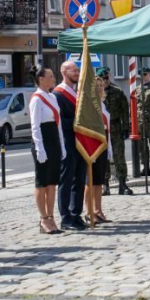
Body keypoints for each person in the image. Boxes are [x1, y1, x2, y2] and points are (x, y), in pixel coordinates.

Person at [30, 66, 66, 235]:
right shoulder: (36, 99)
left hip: (53, 141)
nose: (53, 78)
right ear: (41, 79)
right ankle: (43, 218)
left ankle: (51, 217)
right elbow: (35, 126)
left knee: (52, 182)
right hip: (42, 142)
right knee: (42, 182)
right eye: (50, 76)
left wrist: (62, 145)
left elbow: (58, 124)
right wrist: (39, 148)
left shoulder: (52, 97)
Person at [54, 60, 87, 231]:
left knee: (79, 179)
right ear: (64, 72)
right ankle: (65, 217)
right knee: (66, 181)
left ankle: (76, 214)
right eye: (73, 70)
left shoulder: (76, 93)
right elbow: (58, 121)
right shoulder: (58, 94)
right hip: (67, 143)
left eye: (77, 70)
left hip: (80, 142)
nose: (77, 73)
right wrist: (77, 122)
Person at [85, 75, 113, 224]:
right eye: (96, 86)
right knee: (90, 181)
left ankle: (98, 210)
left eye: (101, 85)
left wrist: (109, 148)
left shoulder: (102, 104)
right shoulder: (89, 105)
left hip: (103, 143)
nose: (100, 88)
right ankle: (89, 211)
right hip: (92, 145)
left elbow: (107, 127)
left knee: (99, 180)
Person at [102, 67, 134, 195]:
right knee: (103, 157)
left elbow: (124, 111)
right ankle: (105, 184)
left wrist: (126, 128)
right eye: (102, 78)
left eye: (106, 78)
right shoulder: (95, 93)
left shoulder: (117, 92)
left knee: (119, 156)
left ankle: (122, 183)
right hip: (101, 129)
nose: (105, 81)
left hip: (115, 127)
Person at [136, 67, 150, 176]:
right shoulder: (137, 89)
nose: (143, 76)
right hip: (140, 122)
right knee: (142, 147)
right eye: (141, 74)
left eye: (145, 74)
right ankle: (145, 167)